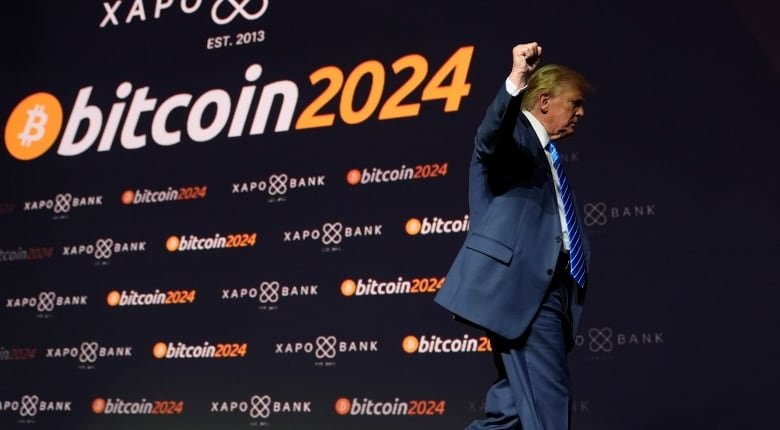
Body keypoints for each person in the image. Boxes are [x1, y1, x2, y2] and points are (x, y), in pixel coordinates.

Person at [434, 42, 592, 430]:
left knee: (512, 414)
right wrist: (516, 79)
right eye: (574, 103)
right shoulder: (516, 140)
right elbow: (491, 136)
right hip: (526, 289)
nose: (581, 113)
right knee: (549, 407)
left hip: (550, 291)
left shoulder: (545, 156)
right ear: (543, 102)